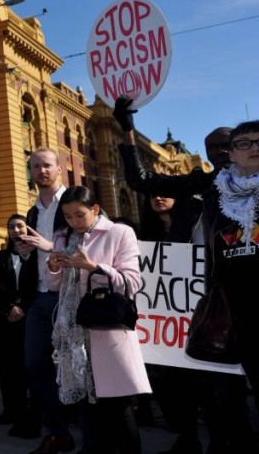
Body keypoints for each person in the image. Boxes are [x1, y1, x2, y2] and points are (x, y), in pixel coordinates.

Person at [114, 98, 253, 454]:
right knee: (223, 387)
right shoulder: (205, 184)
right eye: (213, 148)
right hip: (220, 298)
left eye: (227, 145)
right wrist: (127, 129)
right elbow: (141, 179)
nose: (220, 152)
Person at [49, 186, 151, 454]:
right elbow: (54, 285)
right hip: (74, 334)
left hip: (108, 329)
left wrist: (93, 267)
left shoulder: (119, 232)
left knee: (117, 406)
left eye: (79, 215)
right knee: (87, 409)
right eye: (68, 216)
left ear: (95, 209)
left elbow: (132, 282)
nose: (74, 222)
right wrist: (54, 268)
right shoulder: (62, 237)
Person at [16, 148, 72, 454]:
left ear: (59, 168)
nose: (41, 171)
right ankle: (58, 431)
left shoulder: (74, 202)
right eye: (36, 166)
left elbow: (90, 243)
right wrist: (26, 252)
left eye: (47, 165)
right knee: (35, 366)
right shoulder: (33, 211)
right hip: (39, 297)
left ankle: (90, 433)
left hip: (71, 296)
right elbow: (34, 254)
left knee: (77, 367)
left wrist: (49, 246)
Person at [201, 122, 259, 404]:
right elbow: (144, 181)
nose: (254, 148)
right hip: (240, 308)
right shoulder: (217, 193)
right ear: (233, 154)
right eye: (244, 143)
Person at [0, 214, 32, 434]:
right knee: (5, 369)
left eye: (20, 226)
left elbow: (38, 285)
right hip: (5, 320)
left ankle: (29, 413)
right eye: (11, 227)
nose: (16, 231)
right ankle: (9, 409)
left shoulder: (37, 256)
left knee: (26, 368)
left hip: (29, 319)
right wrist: (9, 307)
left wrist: (22, 307)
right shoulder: (1, 257)